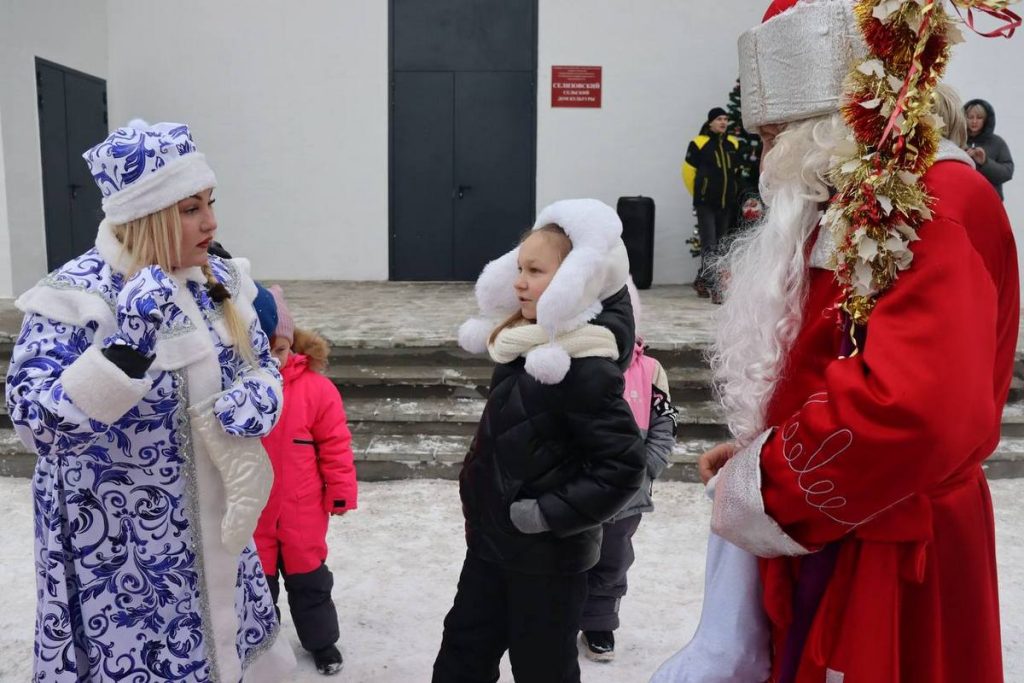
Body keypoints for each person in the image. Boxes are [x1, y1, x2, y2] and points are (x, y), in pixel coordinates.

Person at [654, 1, 1018, 681]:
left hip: (890, 550)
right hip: (833, 526)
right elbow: (835, 352)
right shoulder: (849, 200)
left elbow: (915, 410)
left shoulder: (935, 200)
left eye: (772, 136)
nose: (765, 161)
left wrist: (770, 480)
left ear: (824, 126)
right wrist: (766, 449)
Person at [6, 120, 296, 681]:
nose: (211, 221)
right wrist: (124, 351)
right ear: (146, 214)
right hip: (121, 555)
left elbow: (259, 361)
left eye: (210, 202)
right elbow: (34, 425)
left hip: (218, 532)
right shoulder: (77, 295)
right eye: (190, 208)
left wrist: (262, 393)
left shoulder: (217, 278)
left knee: (224, 656)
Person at [433, 199, 646, 683]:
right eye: (519, 268)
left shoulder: (584, 367)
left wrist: (546, 514)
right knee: (462, 654)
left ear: (576, 280)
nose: (519, 282)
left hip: (548, 560)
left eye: (535, 271)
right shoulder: (524, 345)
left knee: (542, 668)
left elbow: (623, 467)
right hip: (490, 545)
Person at [254, 285, 357, 676]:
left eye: (280, 349)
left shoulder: (317, 389)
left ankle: (321, 642)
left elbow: (335, 445)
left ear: (293, 344)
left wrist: (340, 492)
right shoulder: (243, 390)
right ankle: (262, 645)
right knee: (258, 585)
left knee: (310, 581)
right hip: (255, 511)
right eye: (263, 350)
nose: (273, 358)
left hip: (303, 510)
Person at [579, 281, 678, 663]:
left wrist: (645, 468)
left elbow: (665, 423)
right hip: (579, 486)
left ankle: (599, 621)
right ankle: (561, 616)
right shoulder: (575, 364)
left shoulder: (650, 371)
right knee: (571, 554)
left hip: (627, 493)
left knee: (613, 557)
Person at [683, 107, 740, 302]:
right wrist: (700, 194)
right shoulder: (699, 143)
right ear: (710, 123)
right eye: (719, 119)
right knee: (709, 245)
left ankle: (701, 280)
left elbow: (736, 172)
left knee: (720, 246)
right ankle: (717, 288)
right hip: (705, 203)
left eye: (725, 119)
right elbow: (688, 172)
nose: (723, 122)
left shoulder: (732, 144)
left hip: (726, 202)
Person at [965, 98, 1015, 200]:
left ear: (986, 120)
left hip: (990, 201)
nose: (974, 121)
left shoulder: (997, 142)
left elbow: (1007, 173)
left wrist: (985, 162)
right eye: (970, 117)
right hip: (963, 199)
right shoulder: (957, 140)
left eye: (979, 117)